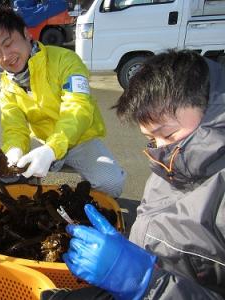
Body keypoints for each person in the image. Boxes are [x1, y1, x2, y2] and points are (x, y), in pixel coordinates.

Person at [43, 50, 225, 299]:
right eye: (151, 139)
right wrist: (124, 250)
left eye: (169, 135)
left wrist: (143, 282)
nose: (160, 150)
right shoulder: (170, 165)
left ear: (212, 108)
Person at [0, 8, 125, 198]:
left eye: (8, 43)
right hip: (44, 142)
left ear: (25, 33)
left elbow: (78, 109)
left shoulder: (66, 60)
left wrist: (52, 150)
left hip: (80, 139)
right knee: (8, 178)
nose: (6, 57)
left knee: (112, 184)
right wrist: (14, 150)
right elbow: (14, 128)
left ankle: (85, 187)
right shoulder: (8, 85)